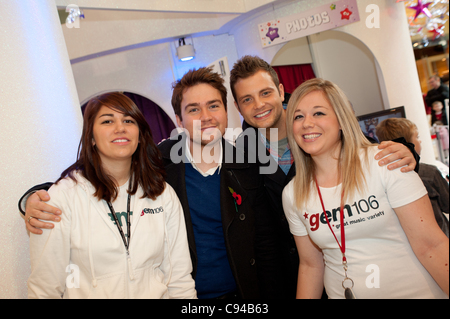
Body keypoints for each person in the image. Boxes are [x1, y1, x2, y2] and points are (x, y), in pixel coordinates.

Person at [20, 68, 279, 299]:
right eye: (193, 109)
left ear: (226, 111)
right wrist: (36, 197)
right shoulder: (159, 164)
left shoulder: (248, 165)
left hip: (238, 294)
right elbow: (102, 172)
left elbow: (265, 243)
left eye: (213, 106)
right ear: (179, 120)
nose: (205, 116)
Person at [229, 55, 420, 298]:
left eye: (265, 93)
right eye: (247, 99)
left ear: (280, 90)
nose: (259, 104)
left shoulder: (316, 126)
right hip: (290, 275)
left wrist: (407, 151)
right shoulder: (241, 154)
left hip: (348, 264)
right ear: (237, 107)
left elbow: (363, 149)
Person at [282, 78, 449, 299]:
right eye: (298, 116)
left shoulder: (385, 164)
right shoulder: (294, 193)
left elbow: (432, 246)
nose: (306, 123)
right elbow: (311, 266)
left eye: (319, 113)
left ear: (342, 120)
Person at [27, 92, 196, 299]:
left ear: (140, 135)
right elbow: (44, 289)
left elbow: (179, 279)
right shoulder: (62, 198)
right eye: (107, 121)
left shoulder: (161, 193)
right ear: (91, 137)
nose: (120, 128)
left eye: (128, 120)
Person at [376, 117, 449, 237]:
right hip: (441, 237)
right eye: (417, 137)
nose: (420, 141)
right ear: (408, 143)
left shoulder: (384, 177)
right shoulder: (429, 173)